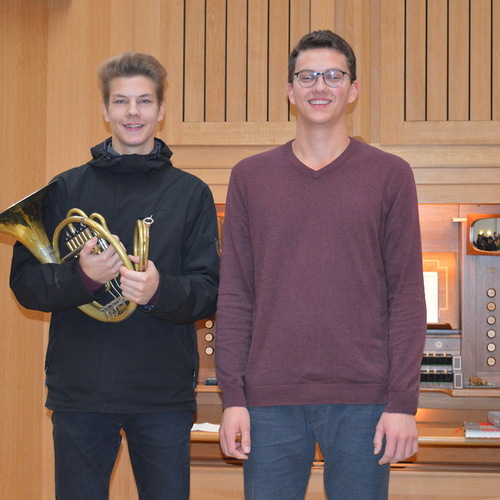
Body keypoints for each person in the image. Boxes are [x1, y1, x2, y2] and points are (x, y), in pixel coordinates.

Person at [215, 30, 426, 500]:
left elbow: (407, 296)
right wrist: (233, 397)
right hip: (268, 400)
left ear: (352, 90)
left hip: (365, 402)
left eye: (333, 75)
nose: (320, 86)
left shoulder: (390, 175)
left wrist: (402, 402)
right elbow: (235, 295)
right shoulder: (250, 177)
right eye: (307, 76)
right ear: (290, 91)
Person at [9, 52, 220, 499]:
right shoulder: (65, 188)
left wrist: (160, 290)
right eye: (121, 101)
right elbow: (26, 286)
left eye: (144, 101)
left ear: (161, 110)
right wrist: (82, 278)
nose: (132, 112)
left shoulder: (191, 194)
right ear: (105, 110)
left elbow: (209, 292)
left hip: (162, 393)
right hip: (81, 391)